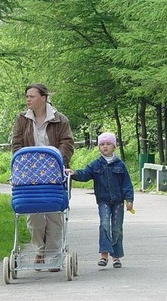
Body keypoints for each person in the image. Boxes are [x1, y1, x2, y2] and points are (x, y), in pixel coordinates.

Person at [11, 83, 74, 267]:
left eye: (32, 96)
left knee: (54, 215)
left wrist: (57, 160)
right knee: (33, 215)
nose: (28, 99)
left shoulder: (60, 120)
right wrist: (25, 164)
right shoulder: (22, 119)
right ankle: (40, 249)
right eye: (27, 96)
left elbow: (67, 143)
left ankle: (54, 257)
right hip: (29, 175)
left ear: (43, 98)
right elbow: (16, 144)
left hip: (53, 173)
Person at [66, 132, 134, 269]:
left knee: (116, 228)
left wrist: (129, 199)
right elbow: (85, 174)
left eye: (108, 144)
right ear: (99, 147)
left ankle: (116, 257)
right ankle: (104, 255)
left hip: (118, 201)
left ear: (114, 146)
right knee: (104, 224)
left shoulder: (120, 164)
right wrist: (74, 173)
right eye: (102, 144)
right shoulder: (95, 164)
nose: (105, 147)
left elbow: (127, 183)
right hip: (103, 201)